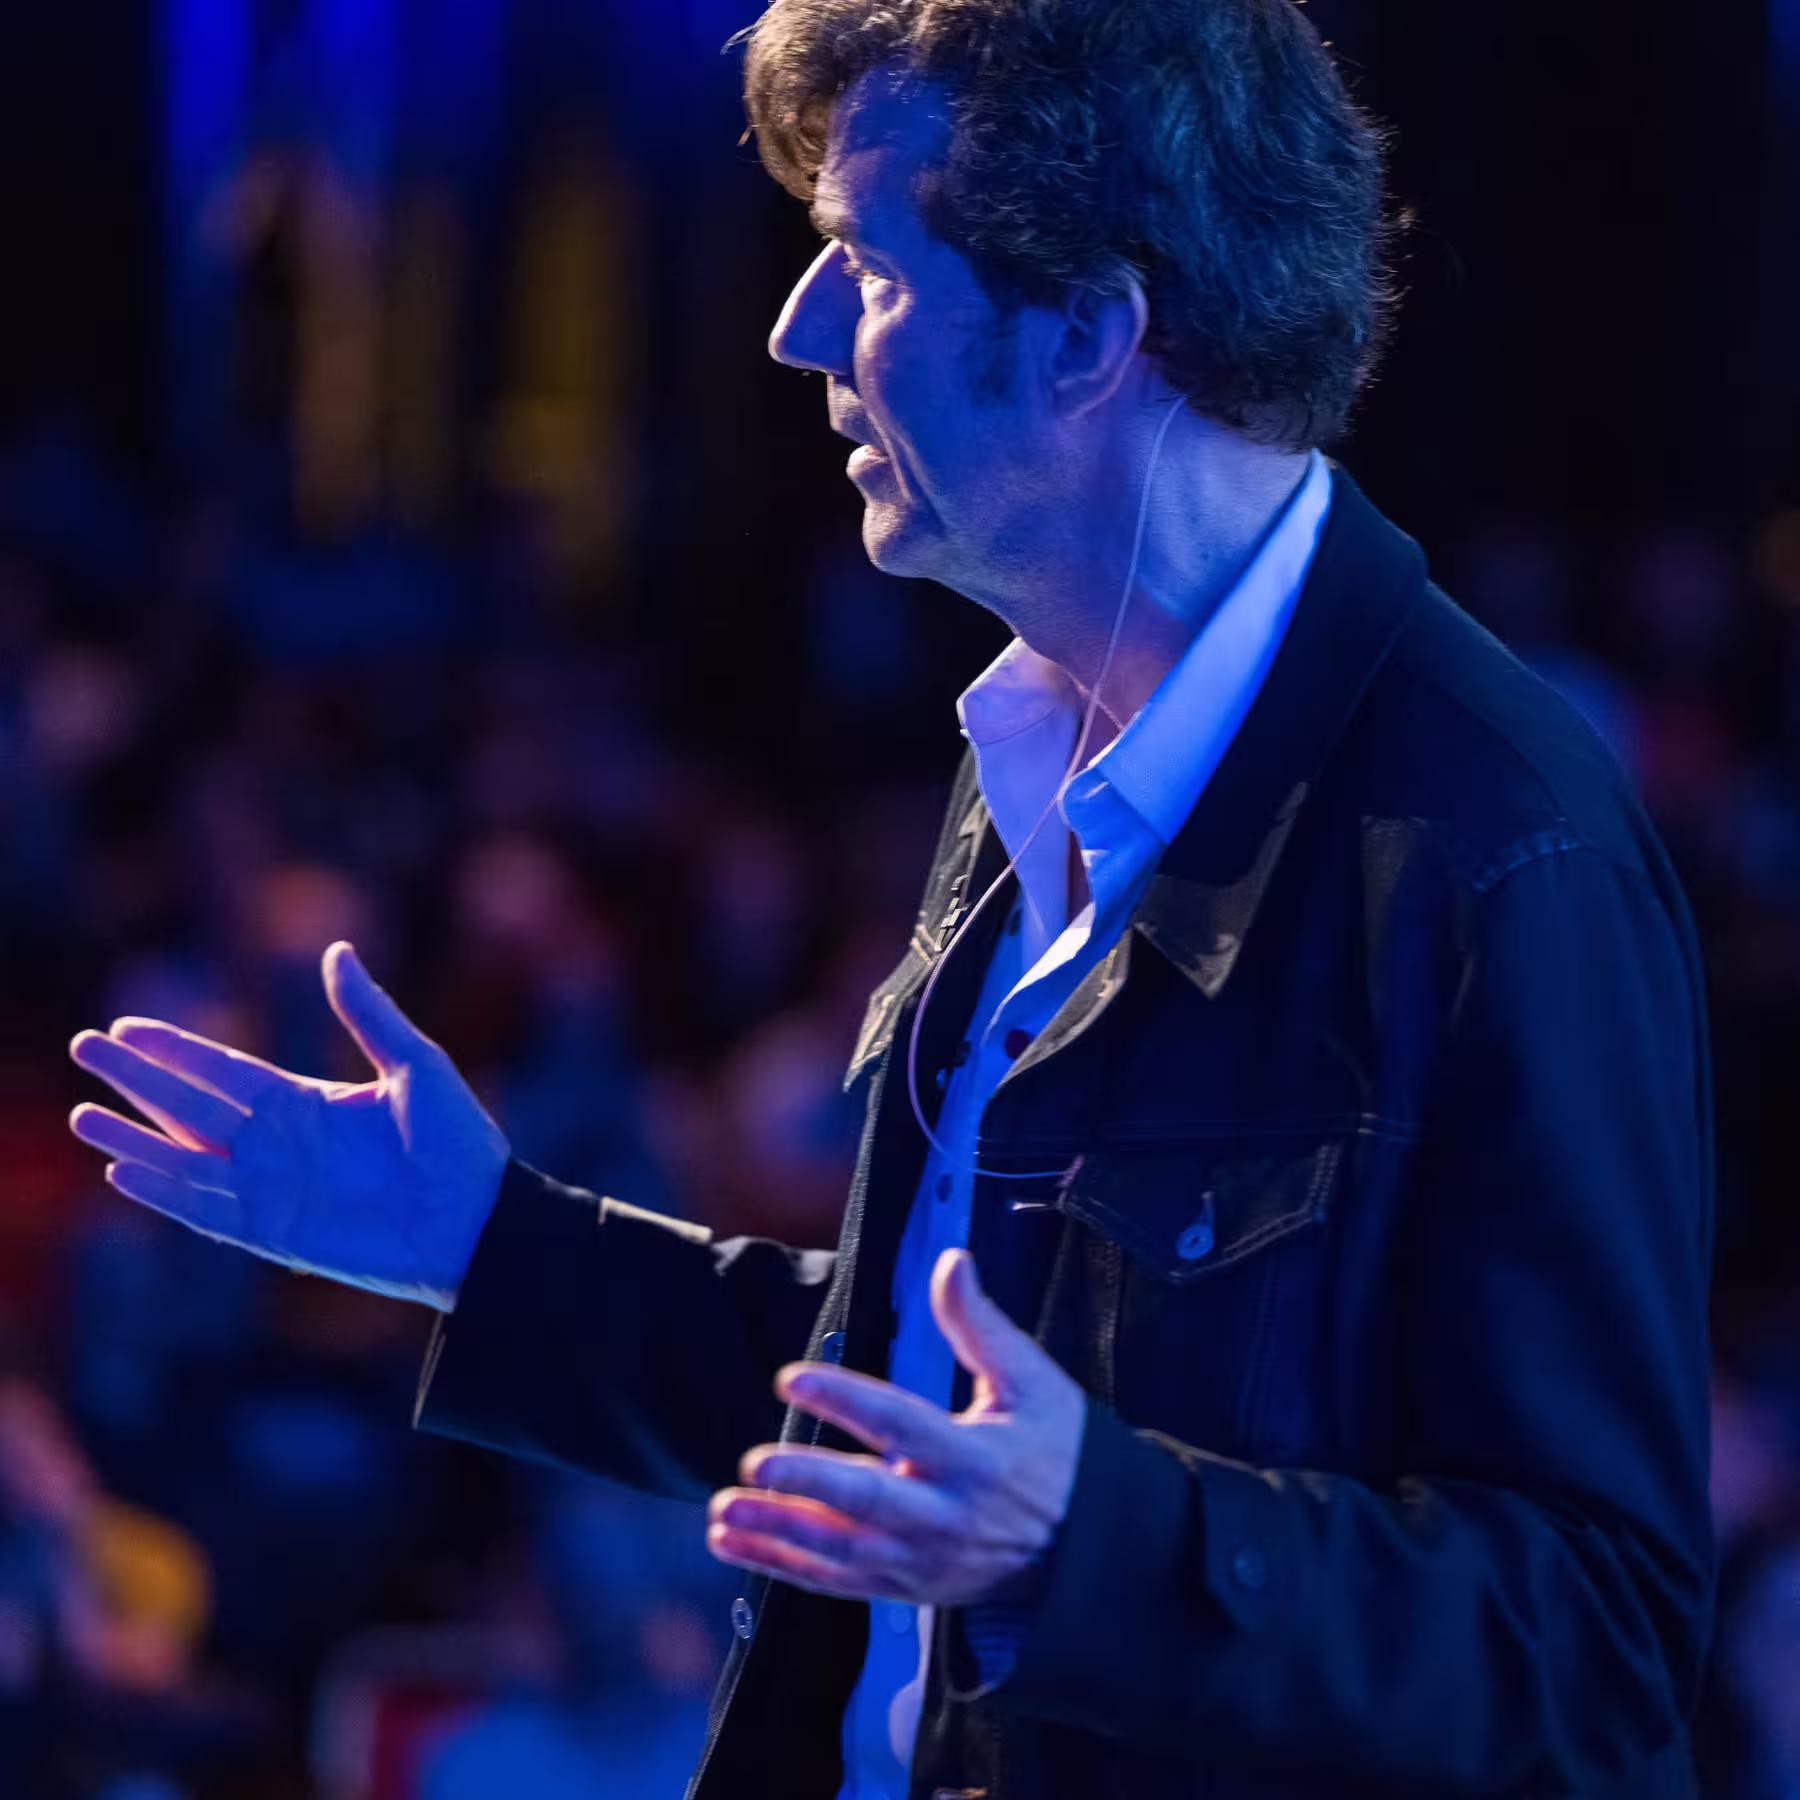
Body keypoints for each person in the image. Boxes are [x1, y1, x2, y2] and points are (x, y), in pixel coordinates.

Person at [65, 0, 1716, 1795]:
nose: (796, 331)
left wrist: (1088, 1544)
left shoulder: (1498, 843)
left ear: (1090, 331)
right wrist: (489, 1245)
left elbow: (1599, 1647)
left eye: (862, 260)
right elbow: (920, 1412)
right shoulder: (1035, 742)